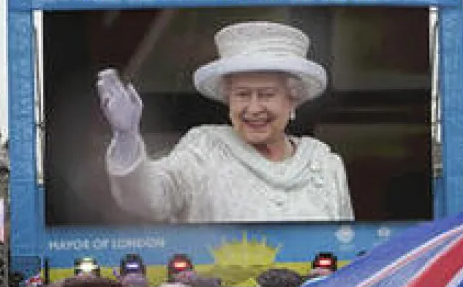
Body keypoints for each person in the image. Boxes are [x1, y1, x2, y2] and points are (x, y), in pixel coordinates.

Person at [96, 21, 354, 223]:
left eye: (266, 94)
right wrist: (126, 136)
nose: (253, 108)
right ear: (228, 100)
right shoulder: (203, 149)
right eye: (242, 94)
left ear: (293, 100)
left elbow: (347, 249)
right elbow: (149, 199)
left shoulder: (325, 165)